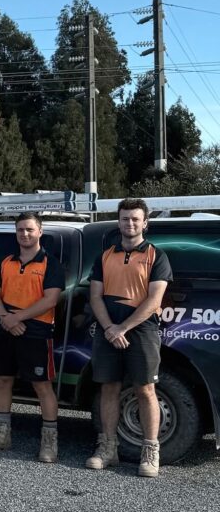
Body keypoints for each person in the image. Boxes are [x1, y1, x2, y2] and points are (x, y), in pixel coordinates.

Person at [87, 198, 172, 477]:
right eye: (125, 219)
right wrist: (110, 327)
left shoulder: (156, 256)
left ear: (145, 223)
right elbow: (95, 296)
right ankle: (108, 449)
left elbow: (154, 299)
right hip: (108, 330)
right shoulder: (105, 256)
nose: (130, 223)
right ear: (119, 222)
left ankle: (150, 452)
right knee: (108, 388)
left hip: (141, 330)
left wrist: (122, 328)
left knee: (145, 389)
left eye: (135, 219)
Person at [0, 213, 65, 462]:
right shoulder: (6, 262)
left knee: (42, 386)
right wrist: (6, 317)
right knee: (3, 381)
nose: (24, 234)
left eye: (29, 229)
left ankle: (49, 443)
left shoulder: (50, 264)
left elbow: (51, 299)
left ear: (40, 231)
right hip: (6, 327)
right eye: (20, 230)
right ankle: (1, 435)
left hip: (36, 331)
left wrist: (18, 318)